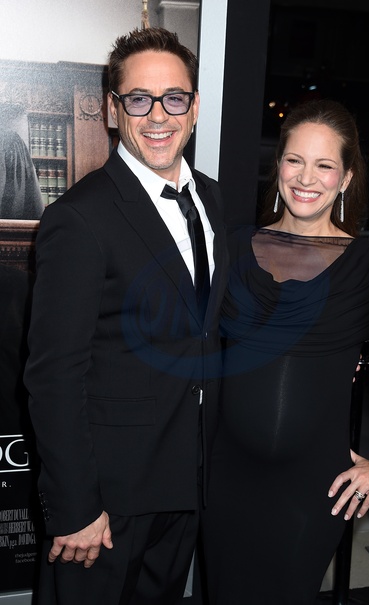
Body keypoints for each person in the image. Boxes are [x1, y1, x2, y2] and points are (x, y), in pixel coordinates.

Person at [24, 27, 228, 605]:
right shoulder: (79, 217)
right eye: (139, 99)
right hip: (106, 503)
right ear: (114, 110)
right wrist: (75, 508)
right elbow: (53, 375)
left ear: (194, 106)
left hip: (186, 483)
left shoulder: (213, 200)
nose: (158, 116)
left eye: (174, 98)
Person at [201, 99, 369, 605]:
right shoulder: (231, 250)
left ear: (345, 179)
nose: (307, 178)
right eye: (295, 160)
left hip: (313, 489)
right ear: (278, 166)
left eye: (324, 165)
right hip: (225, 479)